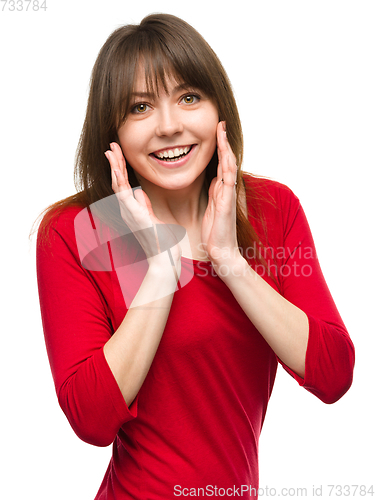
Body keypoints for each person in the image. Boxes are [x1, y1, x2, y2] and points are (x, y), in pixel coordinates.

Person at [36, 13, 355, 500]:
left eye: (189, 97)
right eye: (140, 107)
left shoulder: (274, 210)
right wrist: (161, 269)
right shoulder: (76, 232)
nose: (169, 126)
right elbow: (91, 420)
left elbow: (333, 375)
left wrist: (229, 262)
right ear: (113, 131)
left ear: (218, 109)